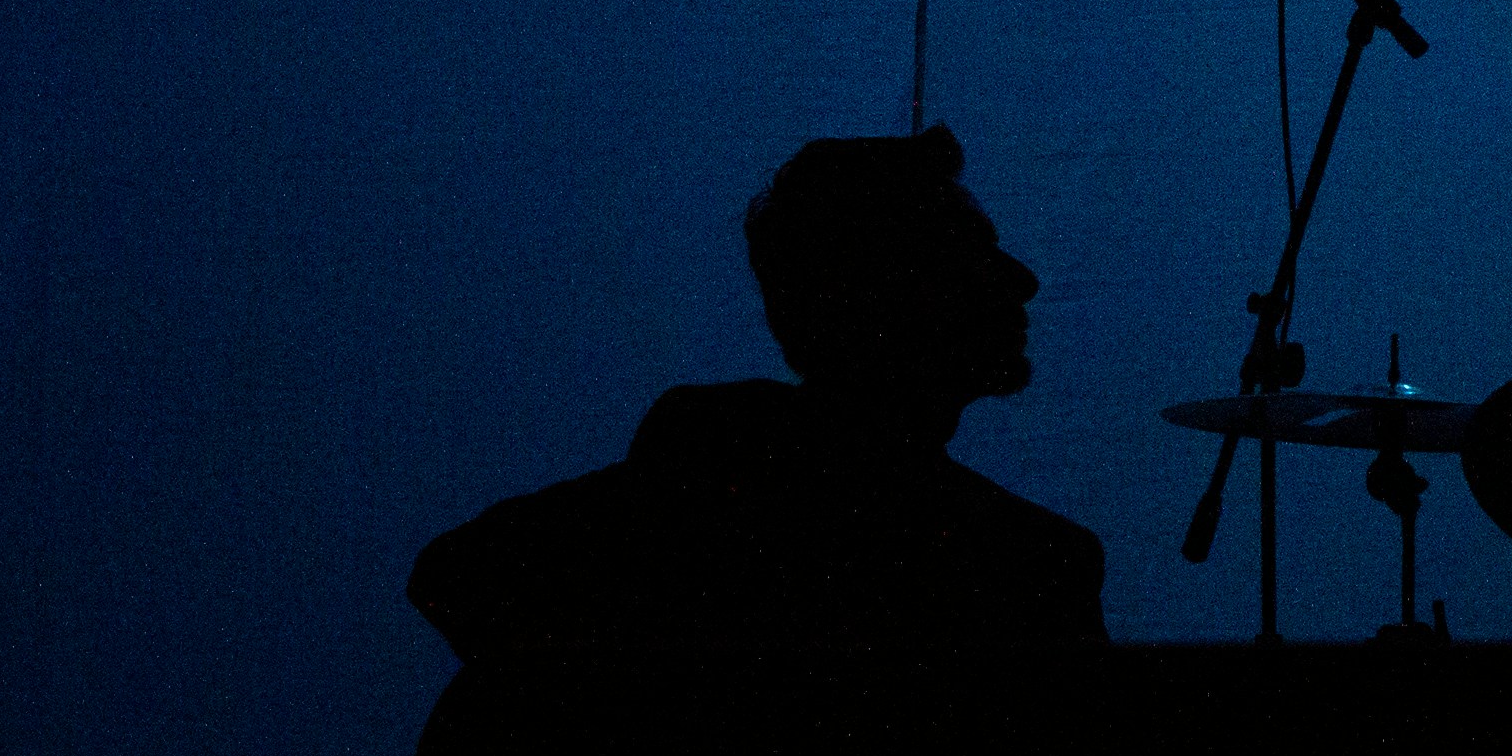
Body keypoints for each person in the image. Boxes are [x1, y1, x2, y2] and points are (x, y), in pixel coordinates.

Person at [411, 125, 1107, 655]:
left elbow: (457, 575)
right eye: (971, 254)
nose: (1021, 280)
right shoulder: (1026, 565)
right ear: (882, 293)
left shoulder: (704, 468)